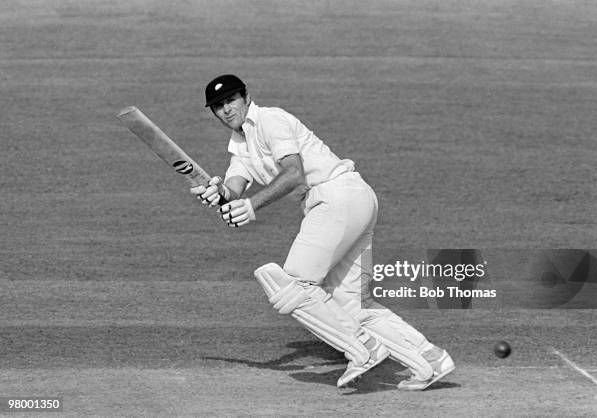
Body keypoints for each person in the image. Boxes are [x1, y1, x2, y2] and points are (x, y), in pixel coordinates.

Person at [190, 74, 455, 389]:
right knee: (350, 302)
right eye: (218, 106)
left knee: (291, 284)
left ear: (246, 96)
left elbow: (293, 174)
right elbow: (234, 187)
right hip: (354, 199)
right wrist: (216, 192)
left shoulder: (270, 120)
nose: (225, 110)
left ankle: (362, 349)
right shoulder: (240, 146)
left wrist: (251, 206)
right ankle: (429, 359)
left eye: (230, 100)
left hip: (335, 196)